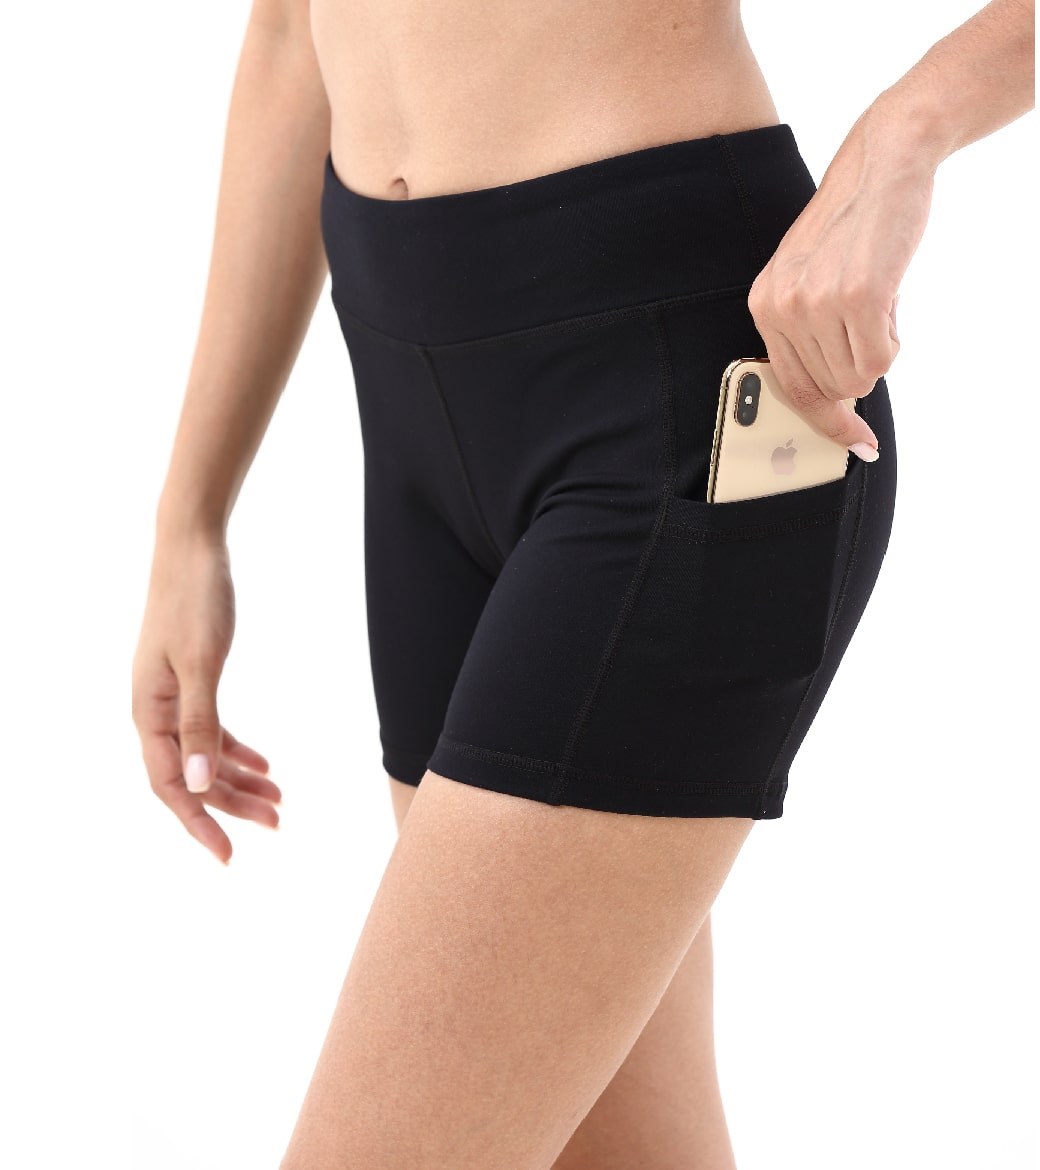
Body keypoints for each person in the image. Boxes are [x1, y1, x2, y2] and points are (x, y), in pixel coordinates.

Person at [130, 0, 1033, 1164]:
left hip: (677, 401)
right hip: (413, 406)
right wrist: (189, 523)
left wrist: (908, 128)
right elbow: (283, 32)